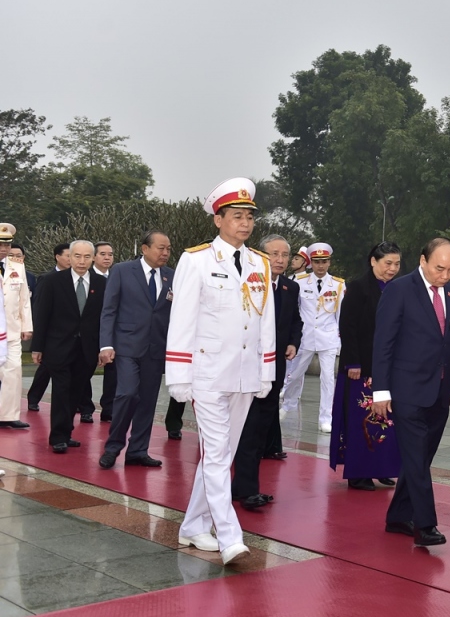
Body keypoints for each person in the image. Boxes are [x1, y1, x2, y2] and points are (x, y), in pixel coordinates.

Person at [166, 178, 274, 566]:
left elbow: (266, 320)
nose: (244, 224)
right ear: (218, 219)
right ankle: (230, 536)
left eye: (249, 217)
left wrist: (266, 370)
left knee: (220, 455)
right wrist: (178, 375)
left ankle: (193, 525)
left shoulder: (260, 262)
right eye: (236, 217)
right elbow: (182, 320)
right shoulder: (195, 260)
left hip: (245, 373)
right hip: (208, 373)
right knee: (216, 454)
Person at [371, 237, 450, 548]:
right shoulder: (399, 290)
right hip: (407, 389)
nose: (445, 275)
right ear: (423, 261)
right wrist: (381, 392)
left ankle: (398, 516)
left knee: (421, 457)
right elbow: (383, 343)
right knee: (415, 455)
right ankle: (425, 524)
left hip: (440, 389)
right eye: (440, 268)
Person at [232, 234, 303, 508]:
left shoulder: (289, 288)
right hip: (247, 366)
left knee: (262, 427)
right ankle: (246, 489)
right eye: (274, 254)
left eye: (285, 255)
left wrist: (293, 342)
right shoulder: (246, 284)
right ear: (260, 256)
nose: (281, 260)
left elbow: (296, 320)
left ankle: (243, 485)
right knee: (247, 428)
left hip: (275, 367)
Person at [97, 231, 174, 469]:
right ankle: (113, 447)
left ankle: (138, 450)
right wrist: (106, 344)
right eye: (160, 248)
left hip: (156, 348)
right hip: (127, 345)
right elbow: (109, 309)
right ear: (144, 248)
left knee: (148, 401)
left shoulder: (172, 276)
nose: (165, 253)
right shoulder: (122, 270)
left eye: (168, 249)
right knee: (127, 394)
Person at [331, 242, 402, 491]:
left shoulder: (399, 289)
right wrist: (352, 361)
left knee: (387, 420)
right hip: (361, 367)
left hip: (389, 369)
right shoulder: (358, 287)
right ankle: (359, 473)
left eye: (397, 264)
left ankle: (382, 468)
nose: (392, 269)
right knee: (362, 419)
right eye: (387, 263)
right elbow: (347, 327)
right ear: (373, 261)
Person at [31, 240, 107, 453]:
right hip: (58, 347)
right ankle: (57, 437)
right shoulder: (52, 281)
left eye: (86, 257)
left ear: (92, 258)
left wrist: (104, 347)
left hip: (87, 348)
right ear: (69, 257)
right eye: (77, 256)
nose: (81, 261)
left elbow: (105, 318)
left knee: (76, 391)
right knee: (61, 390)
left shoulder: (101, 284)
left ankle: (66, 432)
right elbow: (42, 315)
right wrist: (37, 348)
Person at [280, 242, 343, 434]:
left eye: (324, 262)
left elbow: (340, 314)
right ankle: (288, 404)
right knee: (295, 374)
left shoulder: (338, 284)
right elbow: (294, 312)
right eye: (317, 262)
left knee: (327, 379)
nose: (321, 266)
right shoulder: (300, 283)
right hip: (306, 337)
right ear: (311, 263)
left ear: (329, 262)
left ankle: (326, 418)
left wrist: (341, 340)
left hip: (328, 338)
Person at [26, 241, 71, 412]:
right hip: (52, 335)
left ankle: (83, 405)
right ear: (57, 257)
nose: (71, 260)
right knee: (45, 369)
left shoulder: (80, 279)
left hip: (72, 334)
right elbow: (40, 309)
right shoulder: (47, 278)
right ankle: (33, 398)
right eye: (68, 256)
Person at [0, 224, 33, 430]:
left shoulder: (17, 266)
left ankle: (7, 415)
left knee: (13, 371)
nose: (4, 248)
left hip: (11, 329)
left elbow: (24, 299)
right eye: (1, 244)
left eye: (7, 244)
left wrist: (27, 326)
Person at [88, 241, 118, 422]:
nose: (107, 257)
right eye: (103, 254)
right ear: (94, 257)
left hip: (112, 333)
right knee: (85, 371)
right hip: (90, 332)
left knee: (112, 373)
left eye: (110, 254)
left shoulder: (118, 275)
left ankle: (109, 408)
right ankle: (85, 406)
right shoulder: (87, 277)